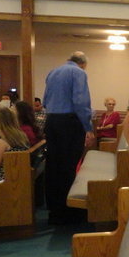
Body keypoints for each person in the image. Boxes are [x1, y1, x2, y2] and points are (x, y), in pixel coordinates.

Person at [43, 51, 94, 224]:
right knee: (69, 166)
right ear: (83, 64)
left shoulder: (53, 72)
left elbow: (44, 100)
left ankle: (54, 211)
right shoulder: (78, 73)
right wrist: (88, 127)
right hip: (69, 123)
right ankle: (69, 212)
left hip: (51, 121)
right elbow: (80, 101)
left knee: (53, 166)